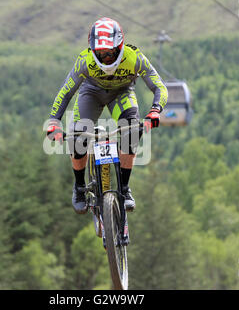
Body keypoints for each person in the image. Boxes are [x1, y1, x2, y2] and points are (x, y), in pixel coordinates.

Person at [46, 17, 168, 214]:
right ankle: (79, 188)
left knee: (132, 134)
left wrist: (155, 110)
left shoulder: (134, 57)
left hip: (121, 94)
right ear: (92, 50)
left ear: (119, 46)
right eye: (100, 52)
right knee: (78, 139)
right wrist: (54, 122)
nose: (106, 57)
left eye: (110, 52)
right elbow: (66, 92)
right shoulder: (84, 60)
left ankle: (125, 189)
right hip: (91, 94)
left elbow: (159, 86)